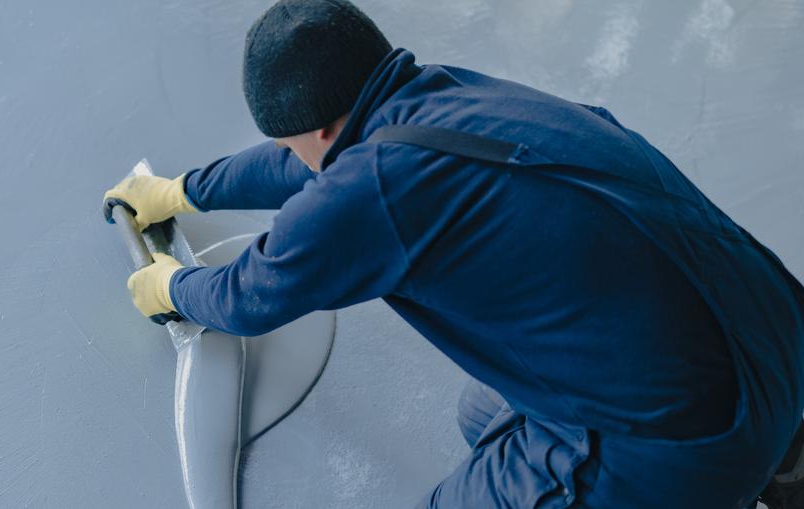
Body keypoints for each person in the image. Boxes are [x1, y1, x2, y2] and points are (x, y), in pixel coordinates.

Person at [102, 0, 804, 507]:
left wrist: (168, 287)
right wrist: (184, 191)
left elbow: (248, 296)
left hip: (689, 439)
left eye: (291, 144)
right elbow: (310, 171)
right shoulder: (448, 95)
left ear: (317, 132)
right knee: (481, 412)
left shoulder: (372, 186)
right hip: (776, 344)